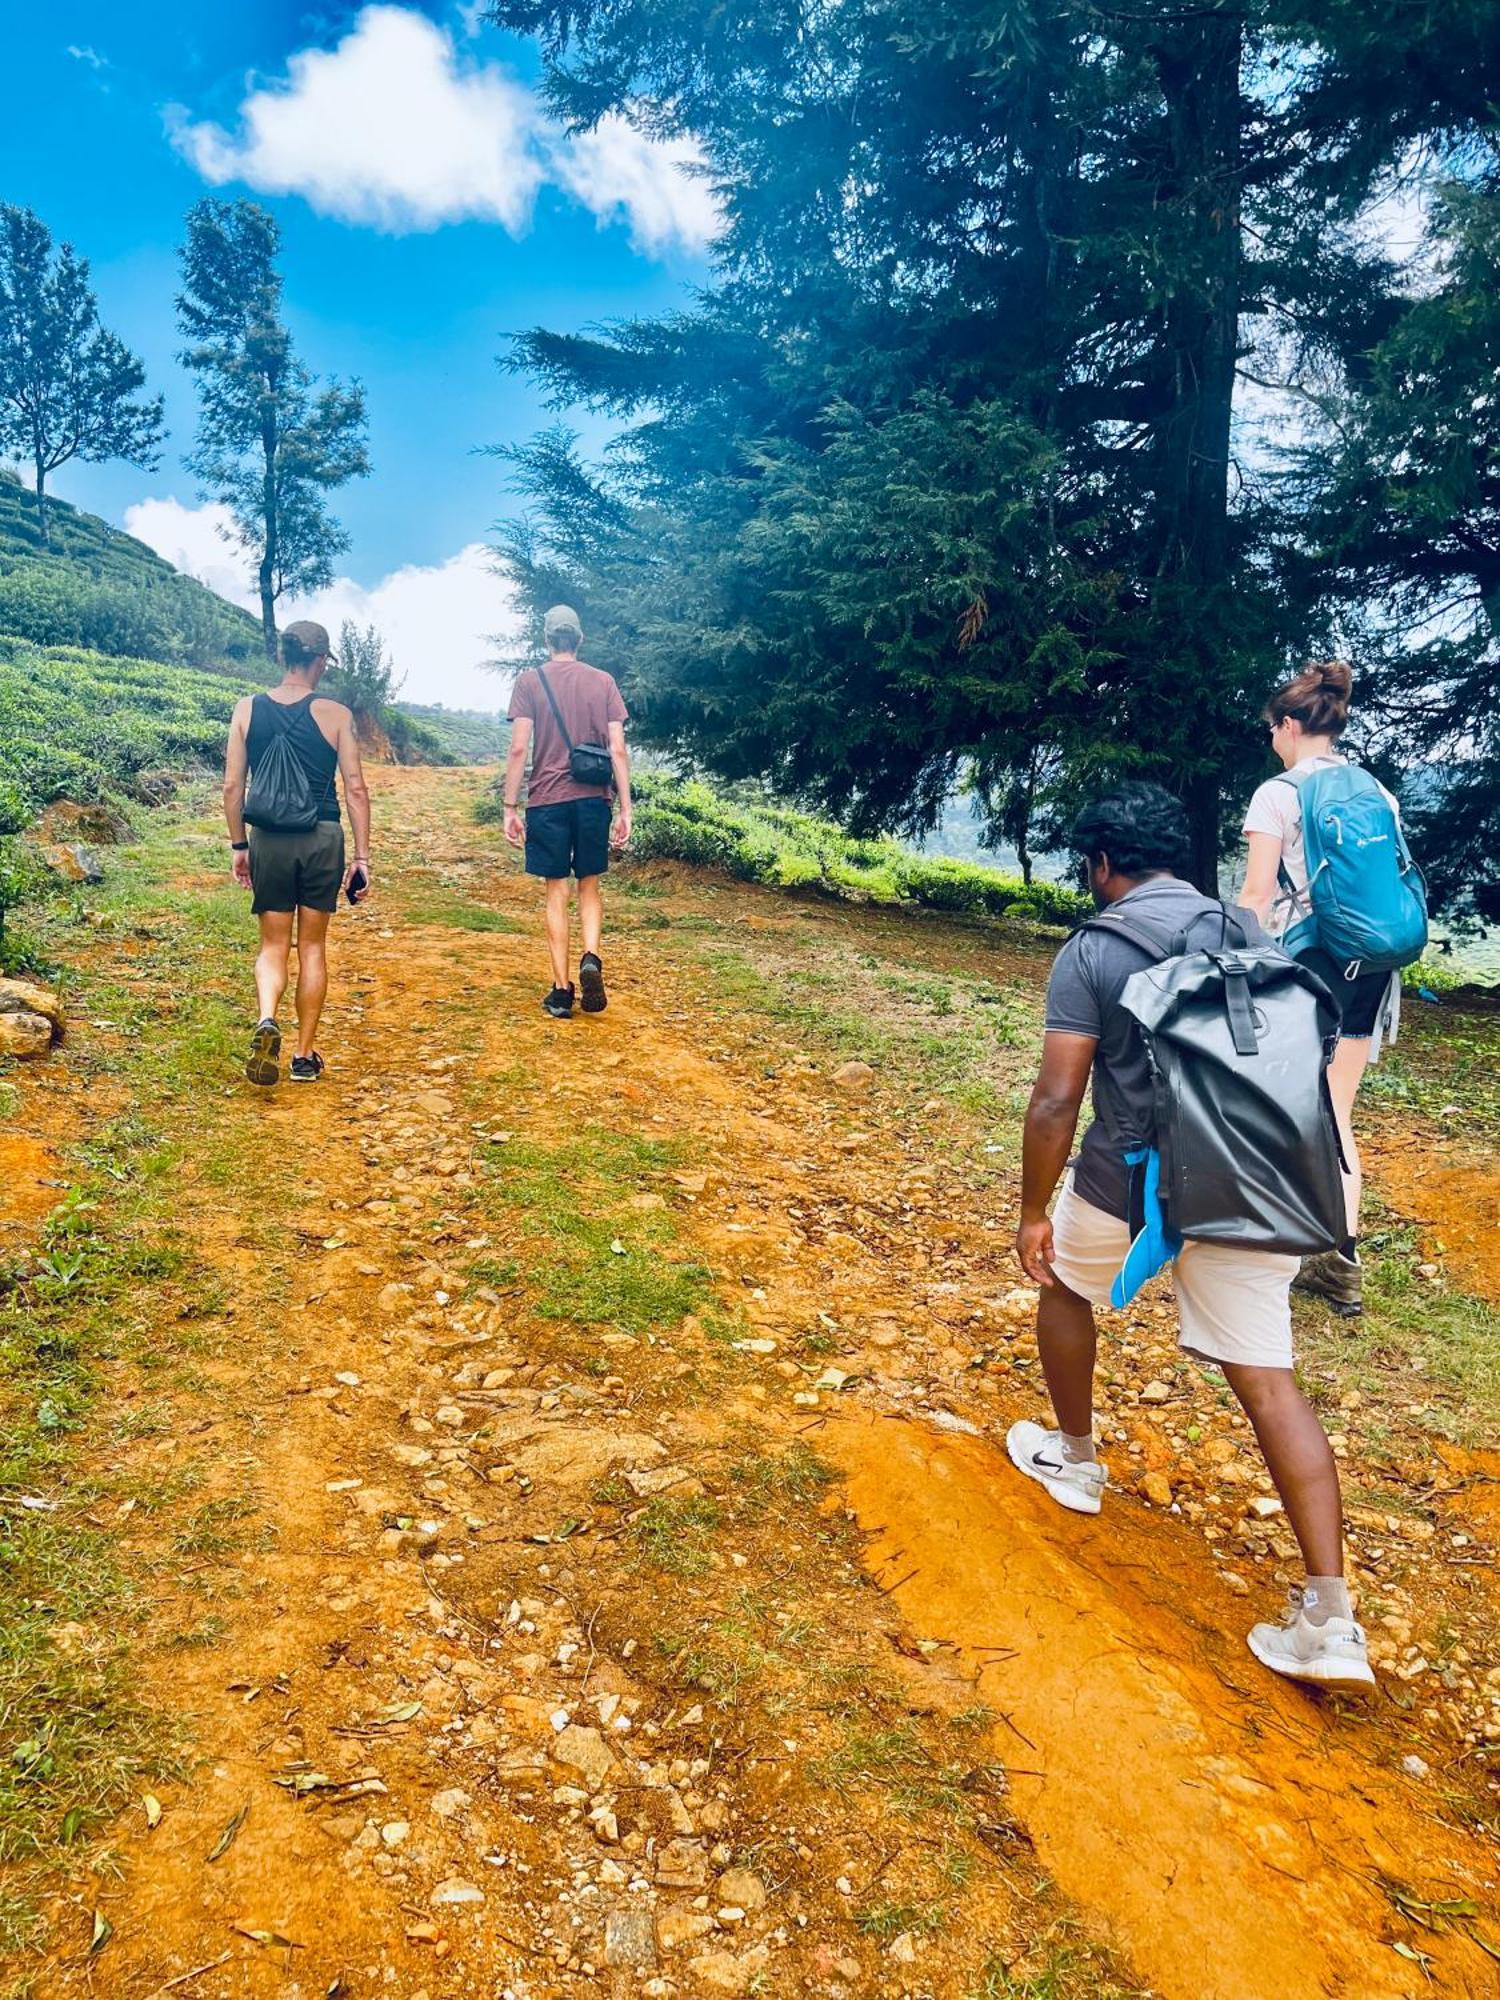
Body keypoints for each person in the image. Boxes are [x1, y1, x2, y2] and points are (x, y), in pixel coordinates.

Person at [1008, 781, 1374, 1691]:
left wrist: (1030, 1209)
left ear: (1102, 863)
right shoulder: (1244, 932)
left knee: (1065, 1289)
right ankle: (1330, 1617)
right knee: (1269, 1380)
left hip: (1129, 1180)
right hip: (1250, 1184)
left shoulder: (1092, 949)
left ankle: (1078, 1460)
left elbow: (1058, 1097)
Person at [1240, 661, 1400, 1317]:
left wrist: (1234, 964)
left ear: (1289, 724)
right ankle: (1340, 1258)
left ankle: (1269, 1245)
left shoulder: (1277, 794)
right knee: (1334, 1107)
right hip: (1372, 967)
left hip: (1309, 964)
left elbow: (1255, 895)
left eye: (1273, 729)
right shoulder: (1378, 793)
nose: (1272, 740)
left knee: (1276, 1099)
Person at [223, 620, 372, 1086]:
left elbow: (232, 787)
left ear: (282, 657)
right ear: (321, 660)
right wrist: (362, 857)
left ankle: (267, 1018)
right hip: (322, 836)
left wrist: (239, 844)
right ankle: (304, 1057)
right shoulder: (335, 714)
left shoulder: (247, 709)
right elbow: (356, 789)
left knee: (272, 944)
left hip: (268, 837)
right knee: (311, 946)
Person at [502, 605, 632, 1018]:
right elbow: (618, 749)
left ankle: (561, 991)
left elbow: (519, 747)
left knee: (556, 891)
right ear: (580, 639)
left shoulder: (529, 682)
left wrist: (509, 805)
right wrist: (626, 808)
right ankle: (591, 956)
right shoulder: (603, 681)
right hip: (594, 798)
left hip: (547, 800)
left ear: (546, 640)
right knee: (588, 885)